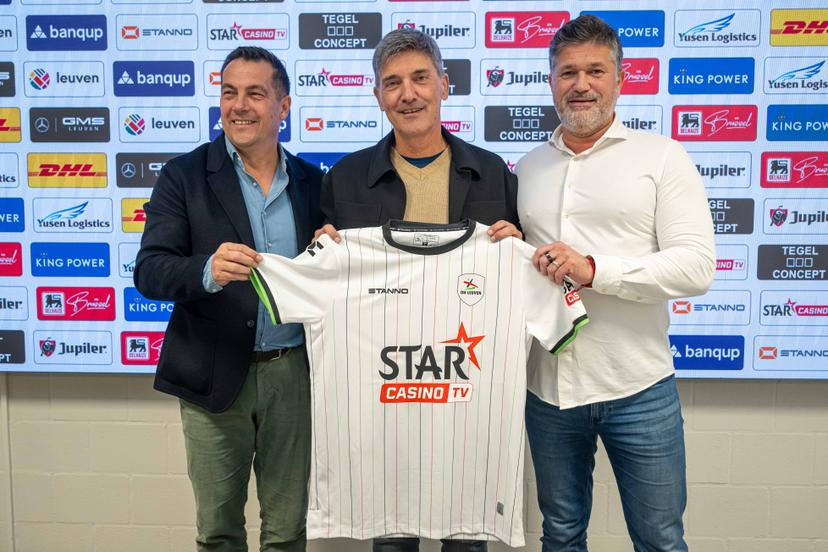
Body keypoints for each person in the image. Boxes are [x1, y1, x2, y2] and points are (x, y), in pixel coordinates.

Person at [316, 29, 521, 552]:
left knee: (467, 540)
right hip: (386, 405)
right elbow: (322, 284)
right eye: (392, 83)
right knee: (391, 543)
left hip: (464, 401)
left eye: (420, 78)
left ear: (445, 86)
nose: (407, 94)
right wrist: (322, 250)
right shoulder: (344, 178)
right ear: (378, 96)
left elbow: (518, 277)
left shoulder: (493, 173)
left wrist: (518, 248)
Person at [516, 15, 715, 552]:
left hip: (638, 389)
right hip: (549, 389)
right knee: (559, 535)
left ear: (621, 79)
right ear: (551, 81)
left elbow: (696, 267)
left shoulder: (663, 157)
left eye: (595, 71)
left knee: (659, 539)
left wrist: (595, 269)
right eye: (567, 72)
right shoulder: (527, 167)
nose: (580, 84)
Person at [134, 46, 323, 552]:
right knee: (218, 533)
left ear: (283, 106)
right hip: (212, 375)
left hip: (294, 377)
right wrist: (206, 270)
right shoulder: (184, 176)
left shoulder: (313, 182)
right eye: (229, 93)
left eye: (256, 94)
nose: (239, 106)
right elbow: (149, 271)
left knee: (287, 532)